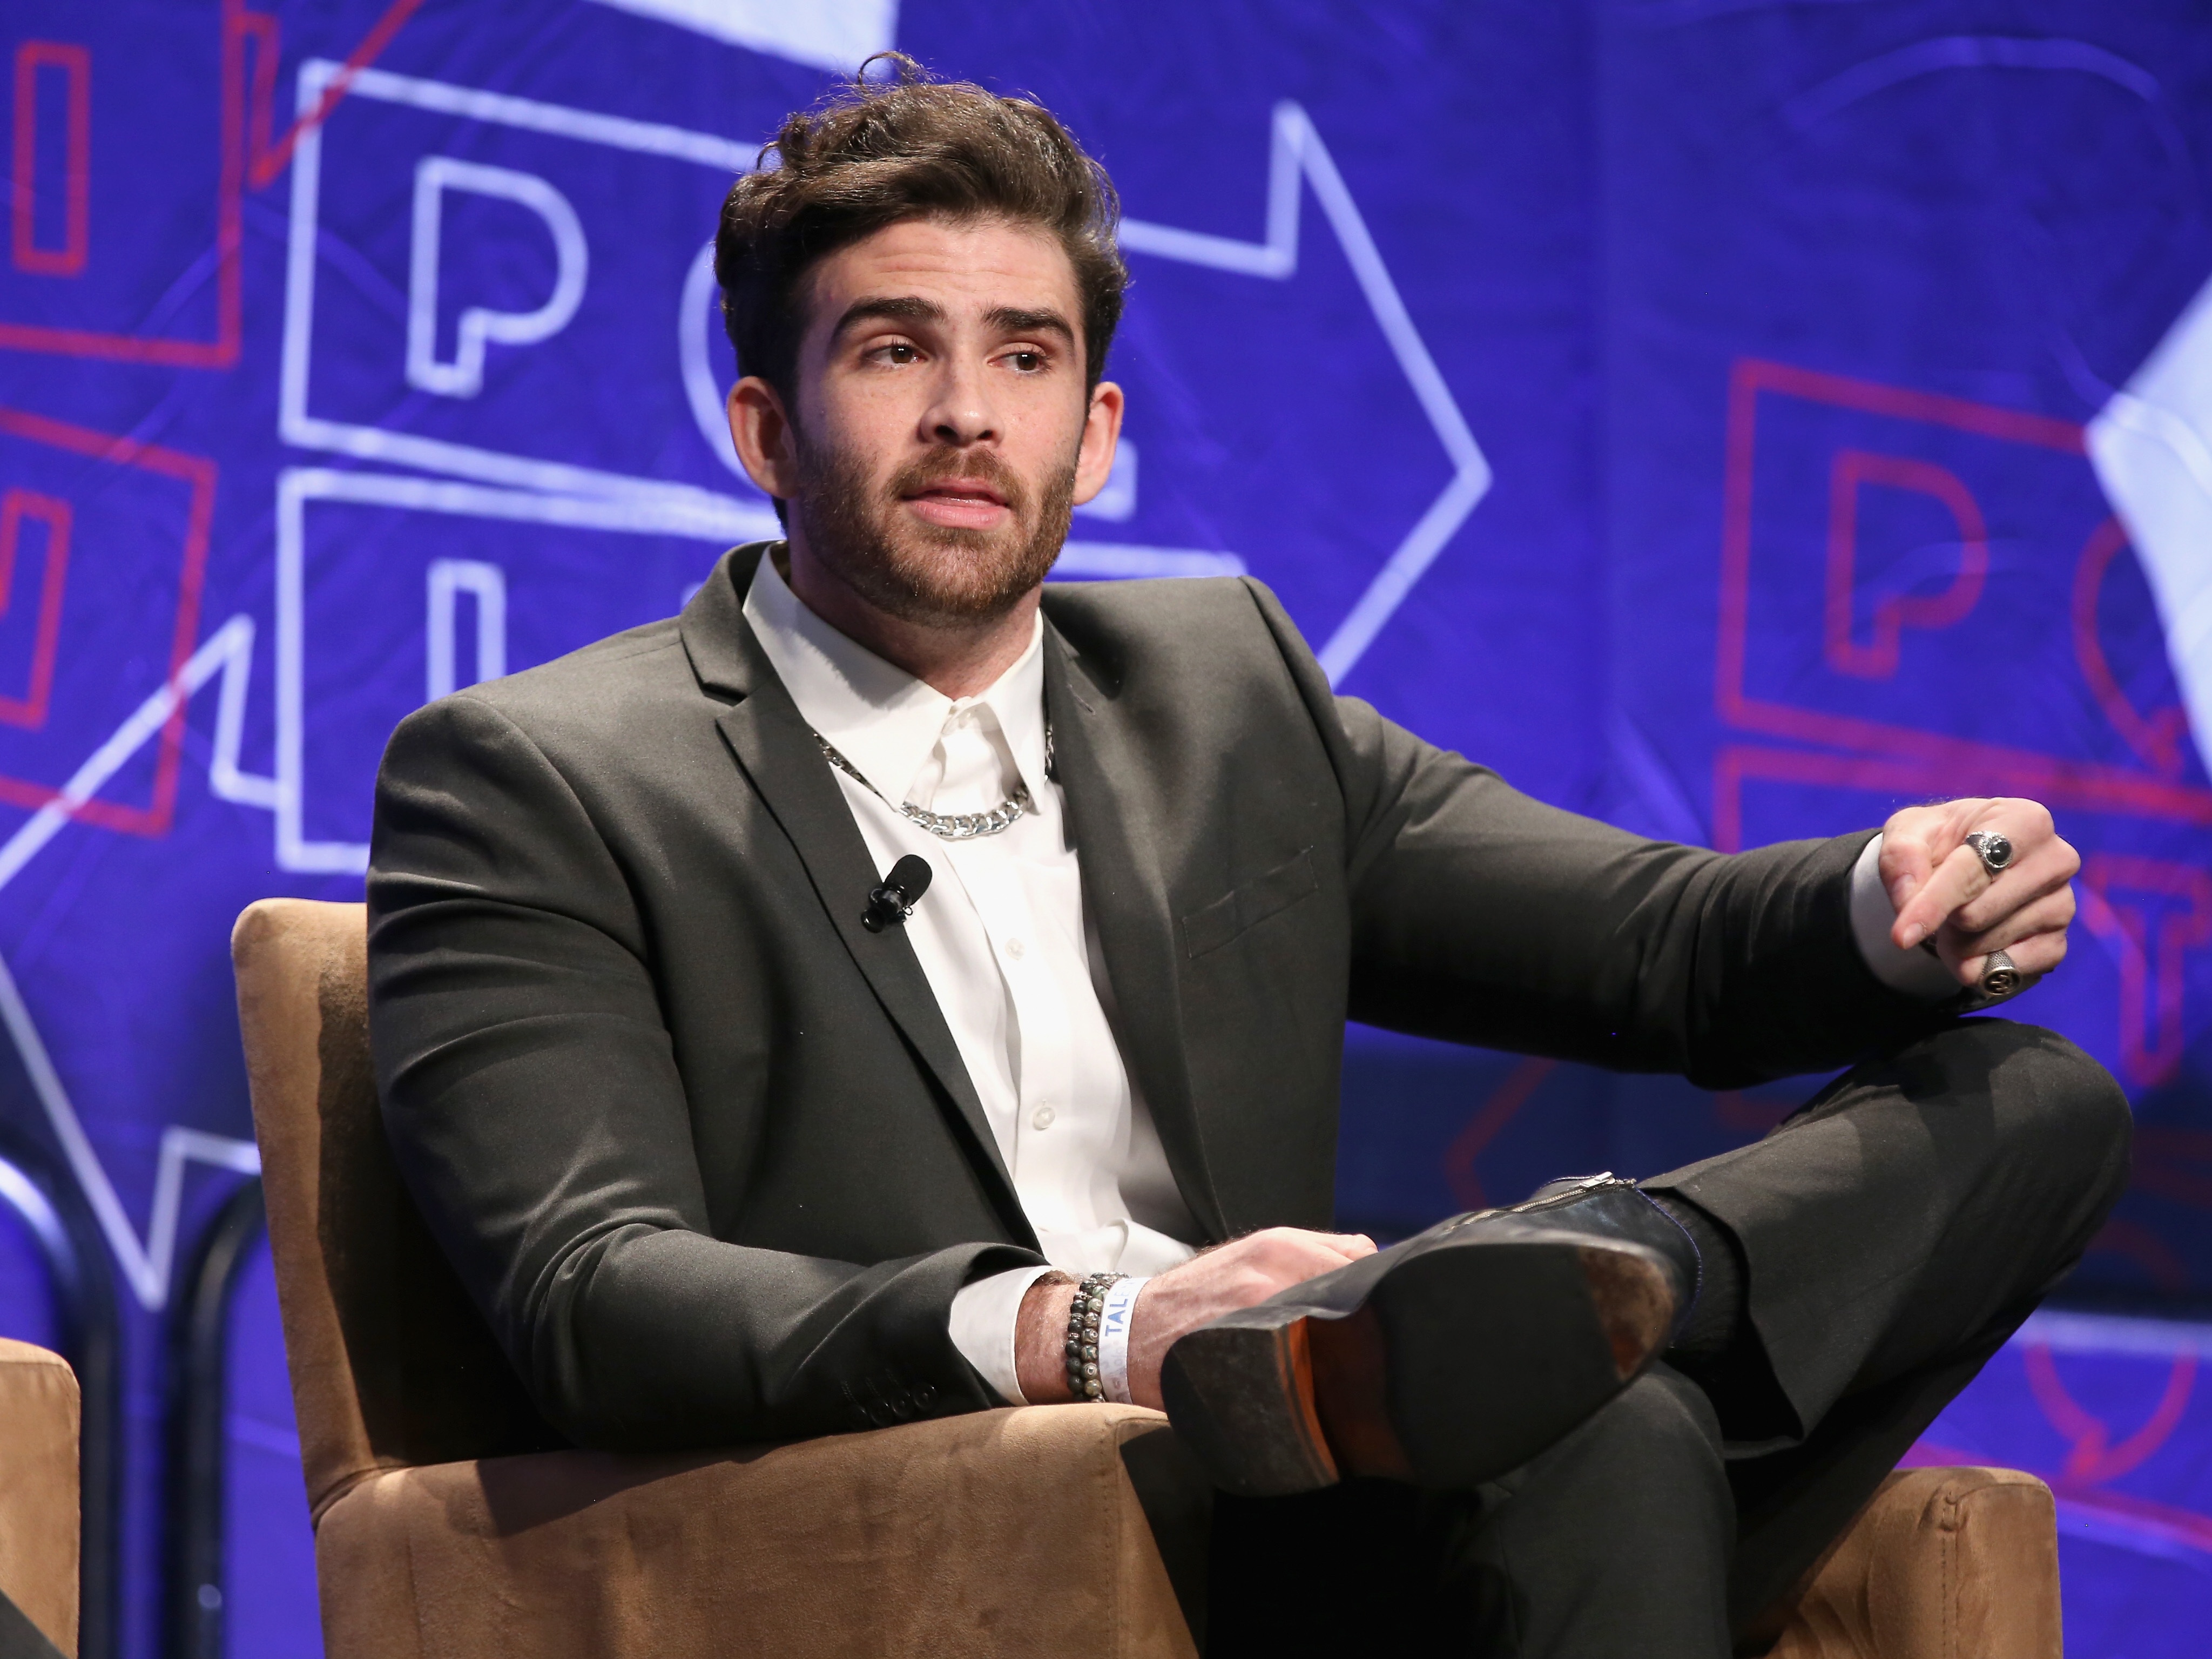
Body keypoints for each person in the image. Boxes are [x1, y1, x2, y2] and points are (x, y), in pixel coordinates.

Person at [366, 59, 2130, 1657]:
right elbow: (597, 1293)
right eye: (896, 349)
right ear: (765, 429)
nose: (970, 412)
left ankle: (1611, 1277)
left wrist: (1887, 905)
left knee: (2032, 1103)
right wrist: (1095, 1330)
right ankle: (1477, 1343)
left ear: (1098, 434)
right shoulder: (544, 774)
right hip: (971, 1510)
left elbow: (1652, 942)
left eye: (1028, 356)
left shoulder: (1220, 697)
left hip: (1343, 1493)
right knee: (1611, 1426)